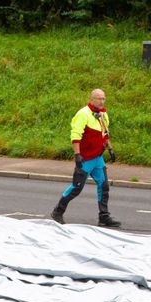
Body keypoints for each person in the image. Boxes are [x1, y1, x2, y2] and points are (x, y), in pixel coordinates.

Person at [50, 88, 120, 228]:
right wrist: (77, 155)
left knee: (104, 185)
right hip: (86, 158)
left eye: (103, 98)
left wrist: (110, 148)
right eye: (99, 98)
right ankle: (58, 211)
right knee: (76, 187)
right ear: (92, 99)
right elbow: (75, 135)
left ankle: (103, 216)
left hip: (98, 157)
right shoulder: (83, 114)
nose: (101, 101)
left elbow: (104, 134)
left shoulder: (103, 115)